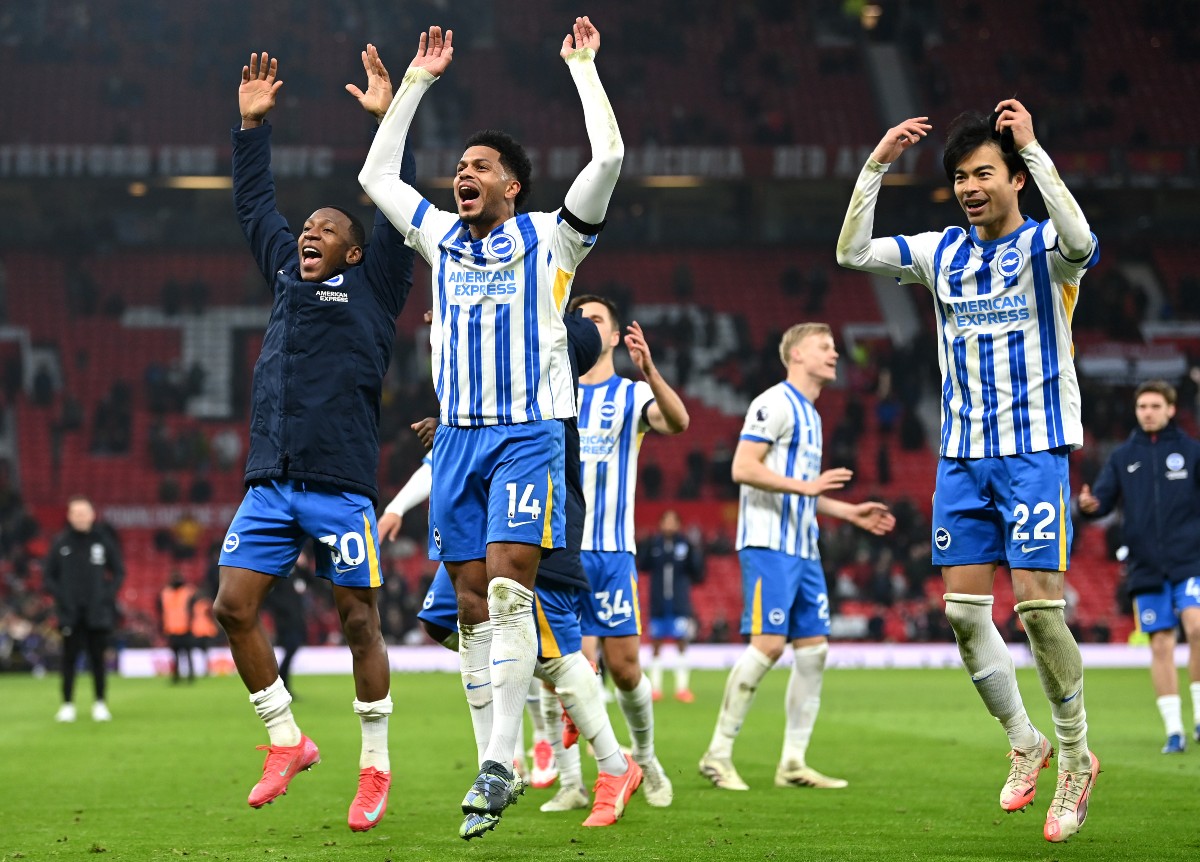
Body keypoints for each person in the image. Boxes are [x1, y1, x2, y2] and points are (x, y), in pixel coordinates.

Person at [358, 19, 623, 839]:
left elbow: (608, 158)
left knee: (511, 590)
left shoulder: (550, 239)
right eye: (460, 167)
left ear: (513, 185)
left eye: (479, 168)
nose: (461, 175)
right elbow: (376, 174)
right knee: (471, 606)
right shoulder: (441, 239)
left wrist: (582, 69)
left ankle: (502, 762)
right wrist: (413, 87)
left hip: (528, 433)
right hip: (459, 442)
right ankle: (508, 760)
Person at [836, 101, 1101, 843]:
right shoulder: (941, 251)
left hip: (1035, 450)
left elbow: (1084, 238)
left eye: (985, 172)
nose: (970, 187)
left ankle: (1077, 758)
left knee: (1040, 612)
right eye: (959, 177)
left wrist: (1036, 149)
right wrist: (878, 163)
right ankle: (1026, 740)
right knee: (960, 613)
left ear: (1014, 178)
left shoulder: (1048, 246)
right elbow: (852, 252)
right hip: (962, 456)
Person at [212, 47, 415, 833]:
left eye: (326, 230)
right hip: (271, 478)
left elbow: (395, 203)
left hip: (338, 484)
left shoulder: (378, 283)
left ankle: (374, 767)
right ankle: (286, 738)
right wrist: (250, 127)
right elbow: (255, 205)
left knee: (358, 621)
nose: (307, 233)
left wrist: (389, 120)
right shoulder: (288, 277)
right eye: (306, 229)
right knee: (232, 607)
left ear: (354, 251)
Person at [381, 309, 646, 828]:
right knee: (454, 620)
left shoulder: (556, 327)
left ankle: (589, 763)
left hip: (541, 495)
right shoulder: (478, 324)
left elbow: (565, 351)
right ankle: (519, 745)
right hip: (480, 496)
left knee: (532, 630)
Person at [698, 324, 895, 792]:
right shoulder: (774, 403)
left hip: (803, 548)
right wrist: (807, 487)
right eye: (824, 348)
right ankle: (718, 753)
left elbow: (805, 489)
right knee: (768, 645)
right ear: (797, 354)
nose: (834, 354)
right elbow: (743, 468)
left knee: (814, 652)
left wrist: (849, 512)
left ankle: (792, 762)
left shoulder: (812, 415)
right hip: (769, 543)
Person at [568, 294, 688, 811]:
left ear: (615, 336)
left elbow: (678, 421)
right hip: (562, 552)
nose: (587, 327)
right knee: (568, 668)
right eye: (580, 320)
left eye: (597, 320)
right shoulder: (558, 393)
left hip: (613, 551)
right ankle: (578, 781)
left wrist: (651, 371)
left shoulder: (630, 394)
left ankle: (646, 755)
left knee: (625, 670)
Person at [1079, 380, 1200, 753]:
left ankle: (1199, 719)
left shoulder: (1192, 452)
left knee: (1197, 629)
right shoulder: (1122, 456)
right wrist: (1090, 506)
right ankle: (1174, 731)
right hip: (1145, 566)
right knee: (1161, 644)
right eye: (1142, 406)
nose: (1147, 412)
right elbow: (1102, 500)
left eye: (1154, 406)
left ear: (1170, 409)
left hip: (1189, 560)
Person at [44, 495, 125, 722]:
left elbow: (119, 571)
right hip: (69, 613)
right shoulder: (60, 542)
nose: (80, 517)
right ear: (69, 516)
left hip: (97, 613)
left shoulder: (103, 541)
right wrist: (62, 595)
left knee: (98, 659)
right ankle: (67, 704)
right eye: (76, 513)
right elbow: (48, 575)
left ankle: (100, 703)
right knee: (69, 659)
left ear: (92, 515)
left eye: (84, 512)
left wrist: (106, 595)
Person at [639, 509, 704, 703]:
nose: (669, 525)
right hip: (658, 603)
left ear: (678, 524)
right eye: (665, 521)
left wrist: (695, 551)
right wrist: (644, 545)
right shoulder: (653, 544)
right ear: (660, 524)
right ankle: (655, 688)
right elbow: (642, 565)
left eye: (672, 521)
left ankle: (682, 688)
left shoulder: (686, 545)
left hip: (680, 603)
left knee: (682, 643)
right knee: (656, 644)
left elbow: (697, 572)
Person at [159, 571, 197, 683]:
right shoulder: (165, 593)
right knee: (175, 656)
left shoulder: (188, 592)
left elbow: (193, 610)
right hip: (171, 629)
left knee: (187, 654)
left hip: (185, 628)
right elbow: (162, 611)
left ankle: (190, 676)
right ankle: (176, 676)